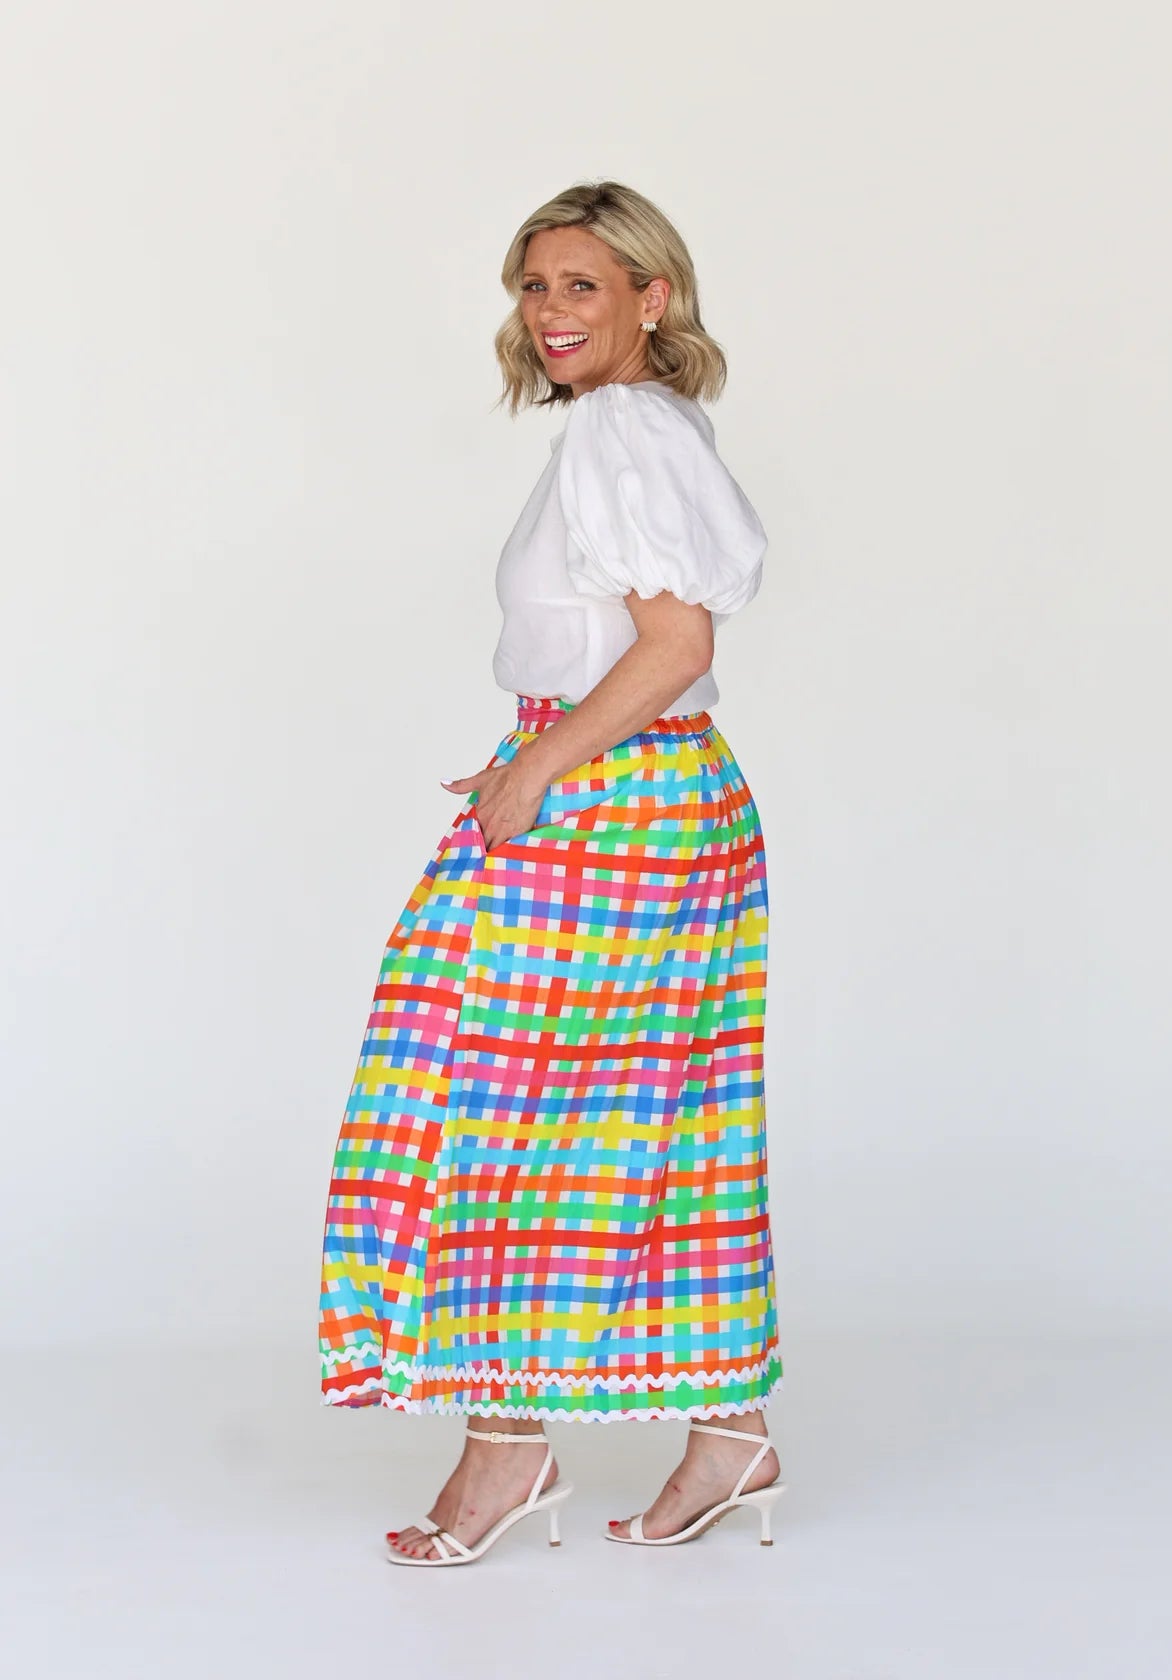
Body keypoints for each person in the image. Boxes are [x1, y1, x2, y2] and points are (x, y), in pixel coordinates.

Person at [317, 179, 785, 1566]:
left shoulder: (624, 430)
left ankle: (505, 1453)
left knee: (493, 1120)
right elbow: (640, 649)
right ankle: (725, 1435)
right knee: (636, 1122)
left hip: (614, 807)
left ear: (654, 296)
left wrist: (539, 768)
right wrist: (532, 756)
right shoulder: (639, 425)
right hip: (638, 796)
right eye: (534, 286)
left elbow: (677, 648)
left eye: (584, 284)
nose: (551, 312)